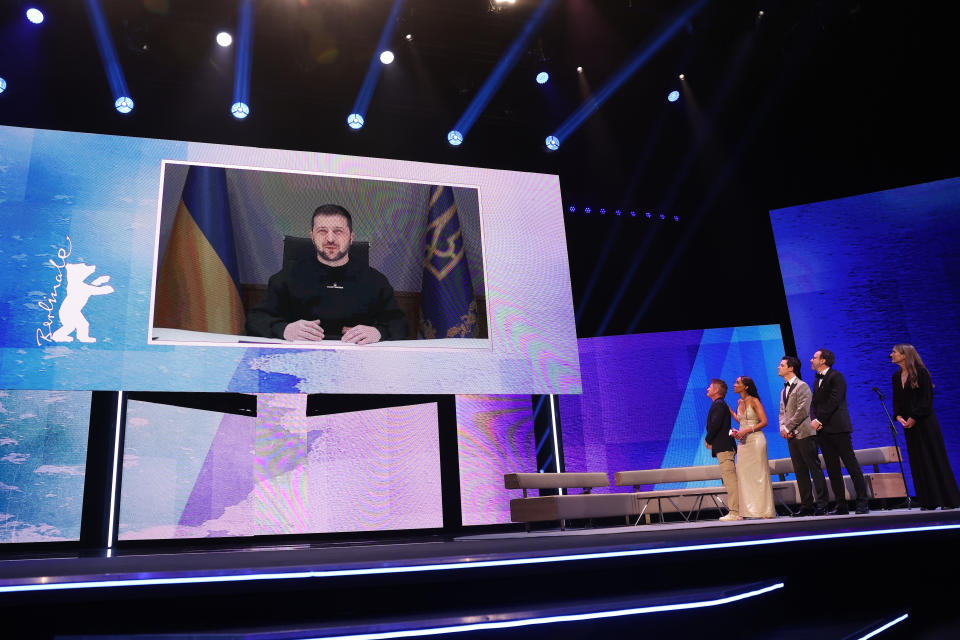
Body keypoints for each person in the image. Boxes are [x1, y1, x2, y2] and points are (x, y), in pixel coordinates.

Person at [245, 204, 408, 344]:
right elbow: (255, 320)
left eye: (338, 231)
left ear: (351, 237)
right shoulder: (287, 277)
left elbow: (400, 324)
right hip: (301, 359)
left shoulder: (375, 281)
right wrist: (285, 330)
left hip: (357, 361)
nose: (330, 239)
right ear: (312, 237)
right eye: (322, 231)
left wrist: (378, 333)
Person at [890, 344, 960, 510]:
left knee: (933, 457)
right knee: (918, 461)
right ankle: (928, 501)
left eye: (894, 352)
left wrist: (914, 416)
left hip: (925, 422)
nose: (891, 355)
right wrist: (898, 416)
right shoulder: (896, 376)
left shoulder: (921, 373)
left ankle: (947, 499)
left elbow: (926, 399)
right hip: (908, 424)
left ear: (905, 355)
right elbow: (897, 400)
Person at [809, 348, 869, 514]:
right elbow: (814, 403)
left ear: (823, 360)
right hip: (823, 431)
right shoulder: (816, 380)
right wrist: (813, 419)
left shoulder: (836, 377)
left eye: (814, 357)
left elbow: (834, 401)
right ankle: (841, 504)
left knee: (851, 465)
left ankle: (863, 502)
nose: (811, 360)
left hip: (838, 428)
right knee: (833, 469)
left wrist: (819, 419)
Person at [777, 356, 828, 516]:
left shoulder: (802, 386)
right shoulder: (783, 390)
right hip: (791, 436)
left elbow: (803, 411)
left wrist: (788, 427)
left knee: (814, 468)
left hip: (805, 433)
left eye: (782, 365)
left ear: (791, 368)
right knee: (799, 470)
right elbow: (782, 412)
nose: (779, 367)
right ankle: (807, 505)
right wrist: (782, 428)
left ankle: (822, 504)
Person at [728, 376, 776, 518]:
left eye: (737, 383)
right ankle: (747, 511)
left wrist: (746, 430)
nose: (734, 385)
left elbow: (764, 421)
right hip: (743, 443)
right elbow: (742, 420)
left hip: (755, 441)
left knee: (759, 475)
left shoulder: (754, 401)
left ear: (746, 387)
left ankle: (764, 511)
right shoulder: (739, 401)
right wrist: (730, 412)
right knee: (743, 475)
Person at [704, 378, 739, 521]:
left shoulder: (718, 405)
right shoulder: (719, 404)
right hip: (724, 447)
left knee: (730, 481)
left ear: (717, 391)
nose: (707, 388)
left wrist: (708, 439)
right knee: (729, 479)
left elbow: (715, 425)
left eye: (710, 387)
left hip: (724, 448)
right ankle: (736, 511)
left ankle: (736, 512)